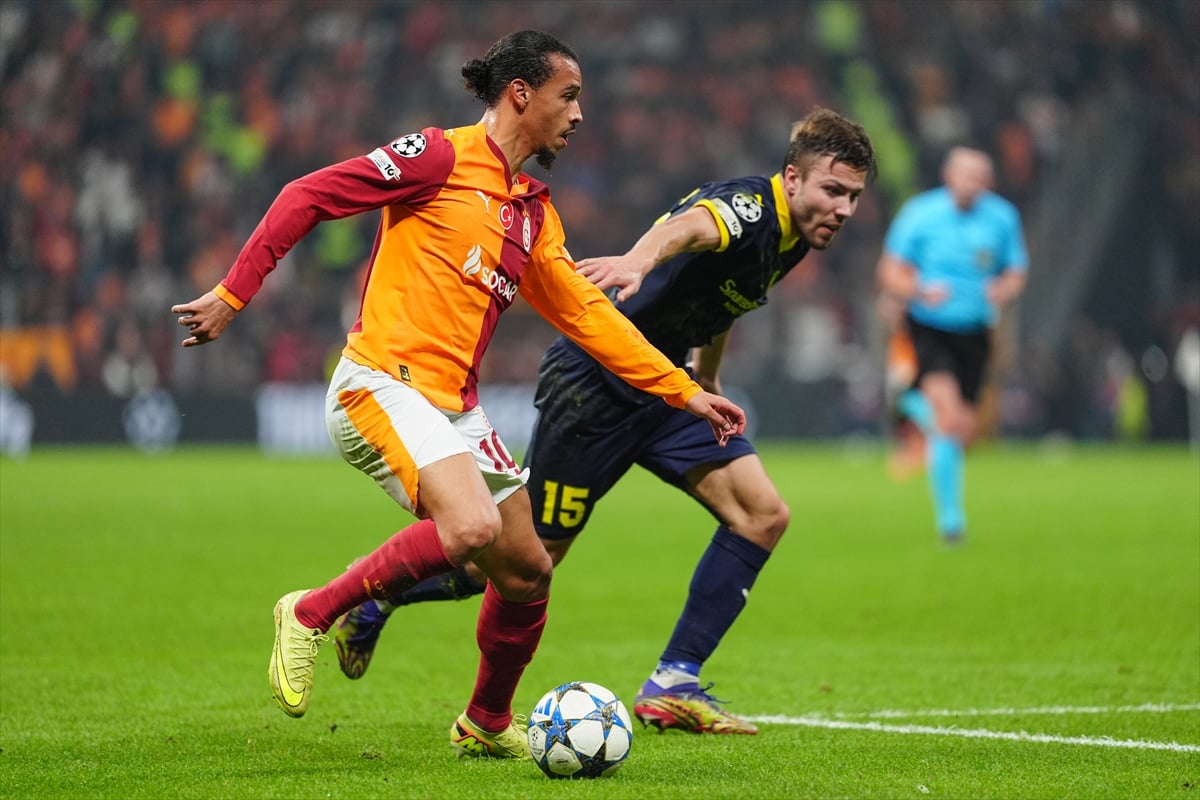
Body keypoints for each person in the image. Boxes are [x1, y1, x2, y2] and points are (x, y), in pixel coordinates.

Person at [170, 30, 745, 759]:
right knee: (471, 526)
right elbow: (307, 195)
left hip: (455, 408)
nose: (578, 114)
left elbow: (589, 316)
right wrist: (233, 294)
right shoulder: (439, 157)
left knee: (527, 571)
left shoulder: (532, 213)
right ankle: (310, 611)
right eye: (568, 96)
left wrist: (684, 391)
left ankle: (485, 723)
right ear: (520, 94)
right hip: (379, 382)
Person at [332, 107, 878, 735]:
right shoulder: (753, 208)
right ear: (793, 178)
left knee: (763, 515)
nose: (843, 208)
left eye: (853, 197)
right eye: (833, 190)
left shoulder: (794, 235)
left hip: (670, 390)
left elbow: (722, 300)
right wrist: (638, 261)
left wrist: (709, 374)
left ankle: (673, 682)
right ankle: (381, 594)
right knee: (519, 563)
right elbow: (689, 229)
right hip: (595, 386)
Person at [875, 146, 1029, 542]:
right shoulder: (919, 214)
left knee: (965, 430)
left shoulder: (1002, 217)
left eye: (978, 178)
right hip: (930, 328)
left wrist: (1004, 289)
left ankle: (910, 400)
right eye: (965, 175)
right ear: (948, 175)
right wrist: (918, 291)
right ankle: (951, 521)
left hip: (976, 332)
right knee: (947, 420)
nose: (970, 184)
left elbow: (1016, 271)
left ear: (988, 182)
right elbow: (889, 271)